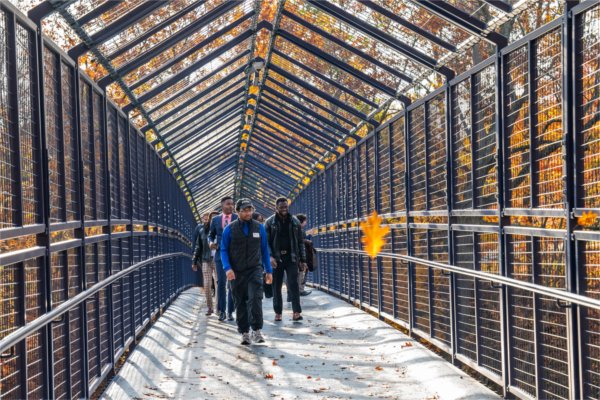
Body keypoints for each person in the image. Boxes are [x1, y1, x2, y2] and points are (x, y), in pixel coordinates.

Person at [221, 198, 273, 345]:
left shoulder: (259, 228)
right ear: (237, 212)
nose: (248, 213)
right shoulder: (229, 229)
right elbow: (223, 250)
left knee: (255, 298)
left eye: (250, 210)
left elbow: (264, 250)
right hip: (236, 271)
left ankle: (256, 330)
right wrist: (227, 268)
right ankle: (244, 332)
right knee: (240, 301)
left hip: (254, 269)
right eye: (244, 210)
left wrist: (268, 271)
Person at [265, 197, 307, 321]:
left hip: (291, 257)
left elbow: (300, 242)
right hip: (276, 259)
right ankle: (278, 313)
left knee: (293, 284)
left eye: (286, 207)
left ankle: (296, 312)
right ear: (276, 208)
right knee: (276, 286)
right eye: (281, 207)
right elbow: (265, 243)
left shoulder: (294, 221)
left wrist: (303, 260)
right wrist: (270, 256)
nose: (284, 209)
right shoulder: (269, 222)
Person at [209, 196, 237, 321]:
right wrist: (210, 243)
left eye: (232, 204)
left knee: (232, 283)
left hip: (235, 255)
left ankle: (230, 311)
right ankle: (222, 311)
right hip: (220, 255)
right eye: (228, 204)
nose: (231, 206)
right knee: (221, 282)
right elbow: (211, 235)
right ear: (222, 205)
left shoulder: (237, 218)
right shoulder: (215, 220)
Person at [192, 212, 217, 315]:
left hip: (218, 260)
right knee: (207, 285)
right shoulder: (202, 231)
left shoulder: (221, 231)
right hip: (206, 259)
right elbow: (198, 247)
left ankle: (219, 308)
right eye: (212, 219)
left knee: (219, 284)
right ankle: (210, 307)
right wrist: (194, 261)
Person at [295, 214, 312, 296]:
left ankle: (297, 290)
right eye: (305, 220)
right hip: (301, 255)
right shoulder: (300, 230)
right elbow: (301, 242)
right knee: (302, 272)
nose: (306, 222)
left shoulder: (297, 230)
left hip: (298, 255)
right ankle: (300, 290)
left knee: (300, 273)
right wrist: (308, 240)